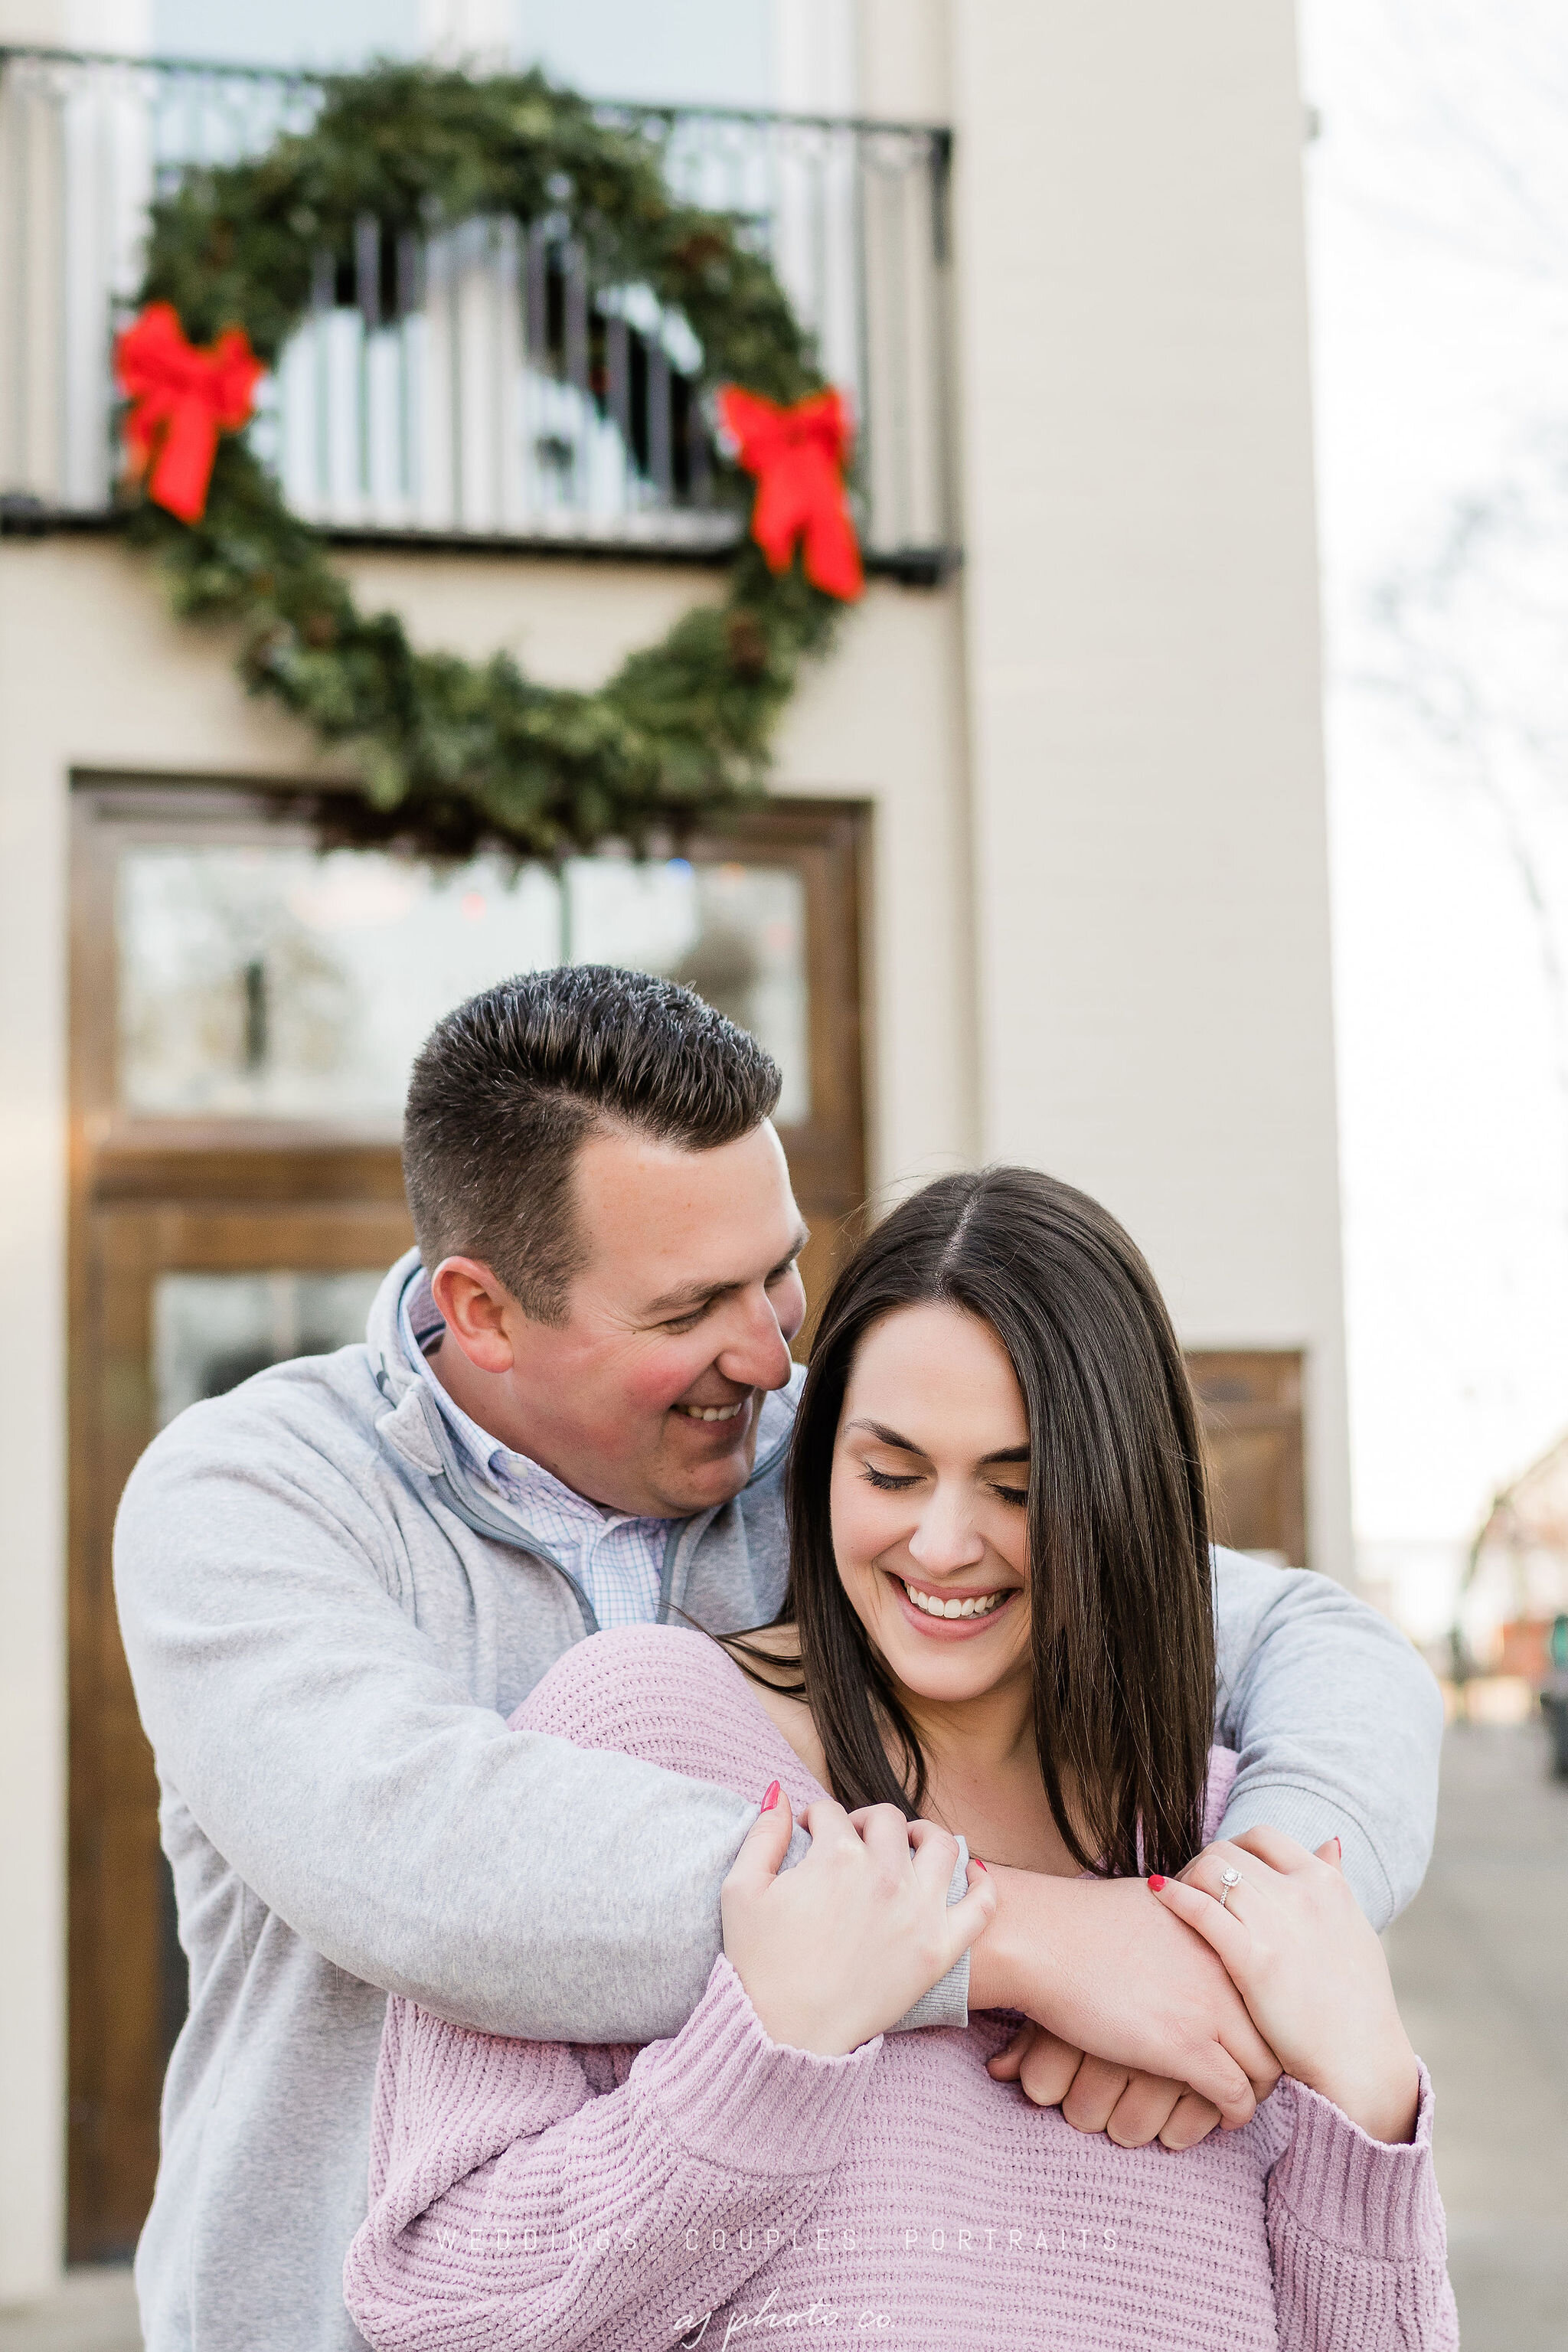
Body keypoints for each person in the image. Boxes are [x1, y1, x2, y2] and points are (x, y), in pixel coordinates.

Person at [115, 969, 1443, 2352]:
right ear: (485, 1310)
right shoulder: (257, 1497)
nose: (767, 1353)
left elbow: (1315, 1644)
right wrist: (1024, 1937)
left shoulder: (845, 1461)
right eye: (691, 1308)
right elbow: (417, 1856)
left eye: (779, 1271)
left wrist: (1250, 1924)